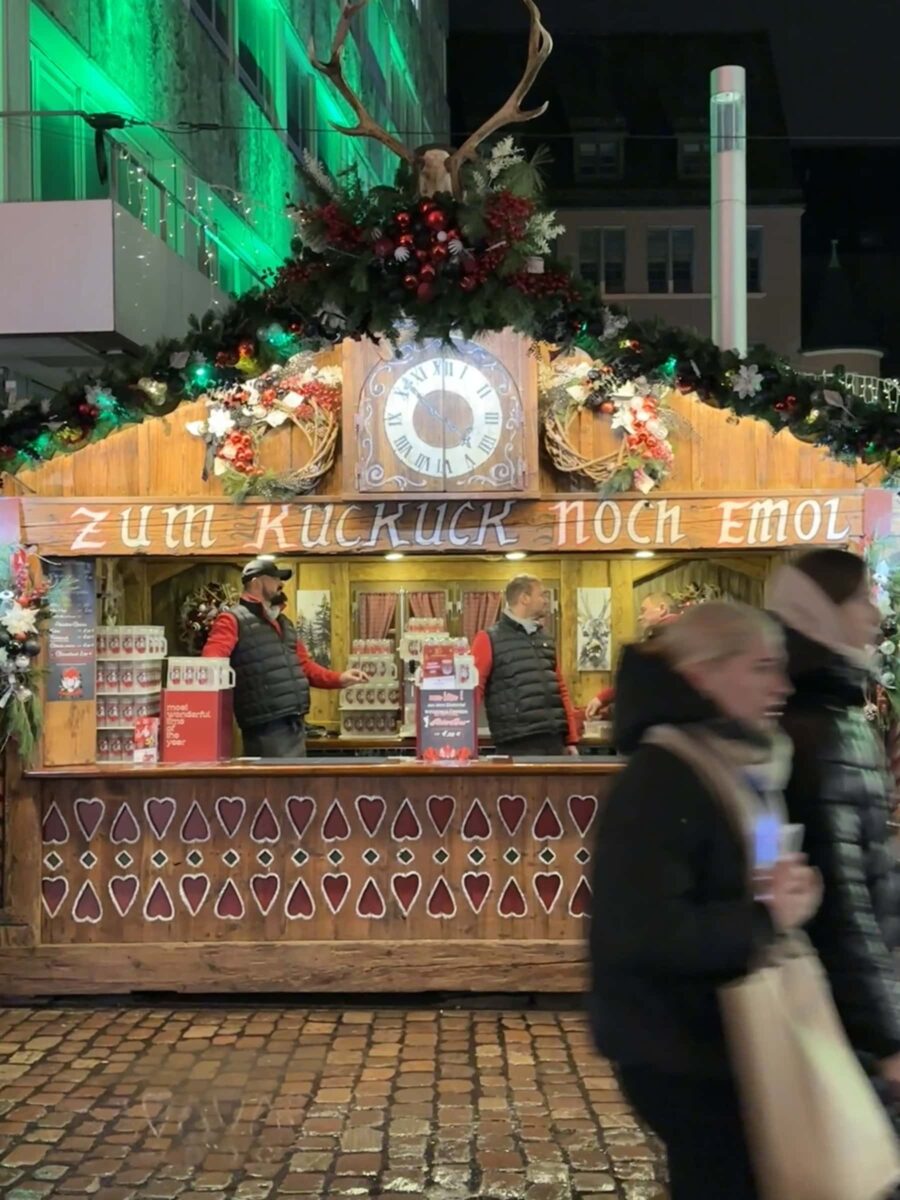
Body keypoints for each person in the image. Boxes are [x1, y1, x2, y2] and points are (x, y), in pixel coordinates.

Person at [589, 603, 821, 1199]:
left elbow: (761, 867)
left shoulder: (749, 764)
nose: (782, 686)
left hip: (733, 1033)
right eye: (762, 667)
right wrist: (769, 917)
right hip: (679, 1046)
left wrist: (780, 888)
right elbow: (642, 931)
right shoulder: (662, 778)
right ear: (702, 675)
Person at [768, 550, 900, 1113]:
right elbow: (843, 897)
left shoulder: (837, 710)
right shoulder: (817, 728)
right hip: (838, 1015)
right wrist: (886, 1037)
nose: (874, 615)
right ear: (822, 612)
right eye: (860, 599)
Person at [203, 557, 367, 757]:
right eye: (275, 578)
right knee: (275, 787)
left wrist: (340, 679)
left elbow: (304, 666)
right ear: (256, 582)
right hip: (265, 727)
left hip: (294, 724)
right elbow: (210, 665)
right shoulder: (232, 619)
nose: (281, 584)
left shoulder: (284, 623)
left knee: (295, 786)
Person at [471, 574, 579, 756]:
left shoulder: (545, 637)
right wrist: (463, 739)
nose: (546, 601)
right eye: (542, 595)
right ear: (524, 598)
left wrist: (571, 739)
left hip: (554, 741)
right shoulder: (488, 639)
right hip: (516, 743)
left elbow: (560, 689)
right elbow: (473, 690)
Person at [585, 591, 679, 720]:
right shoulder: (686, 634)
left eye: (644, 610)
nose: (639, 617)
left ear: (662, 609)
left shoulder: (664, 641)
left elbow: (642, 685)